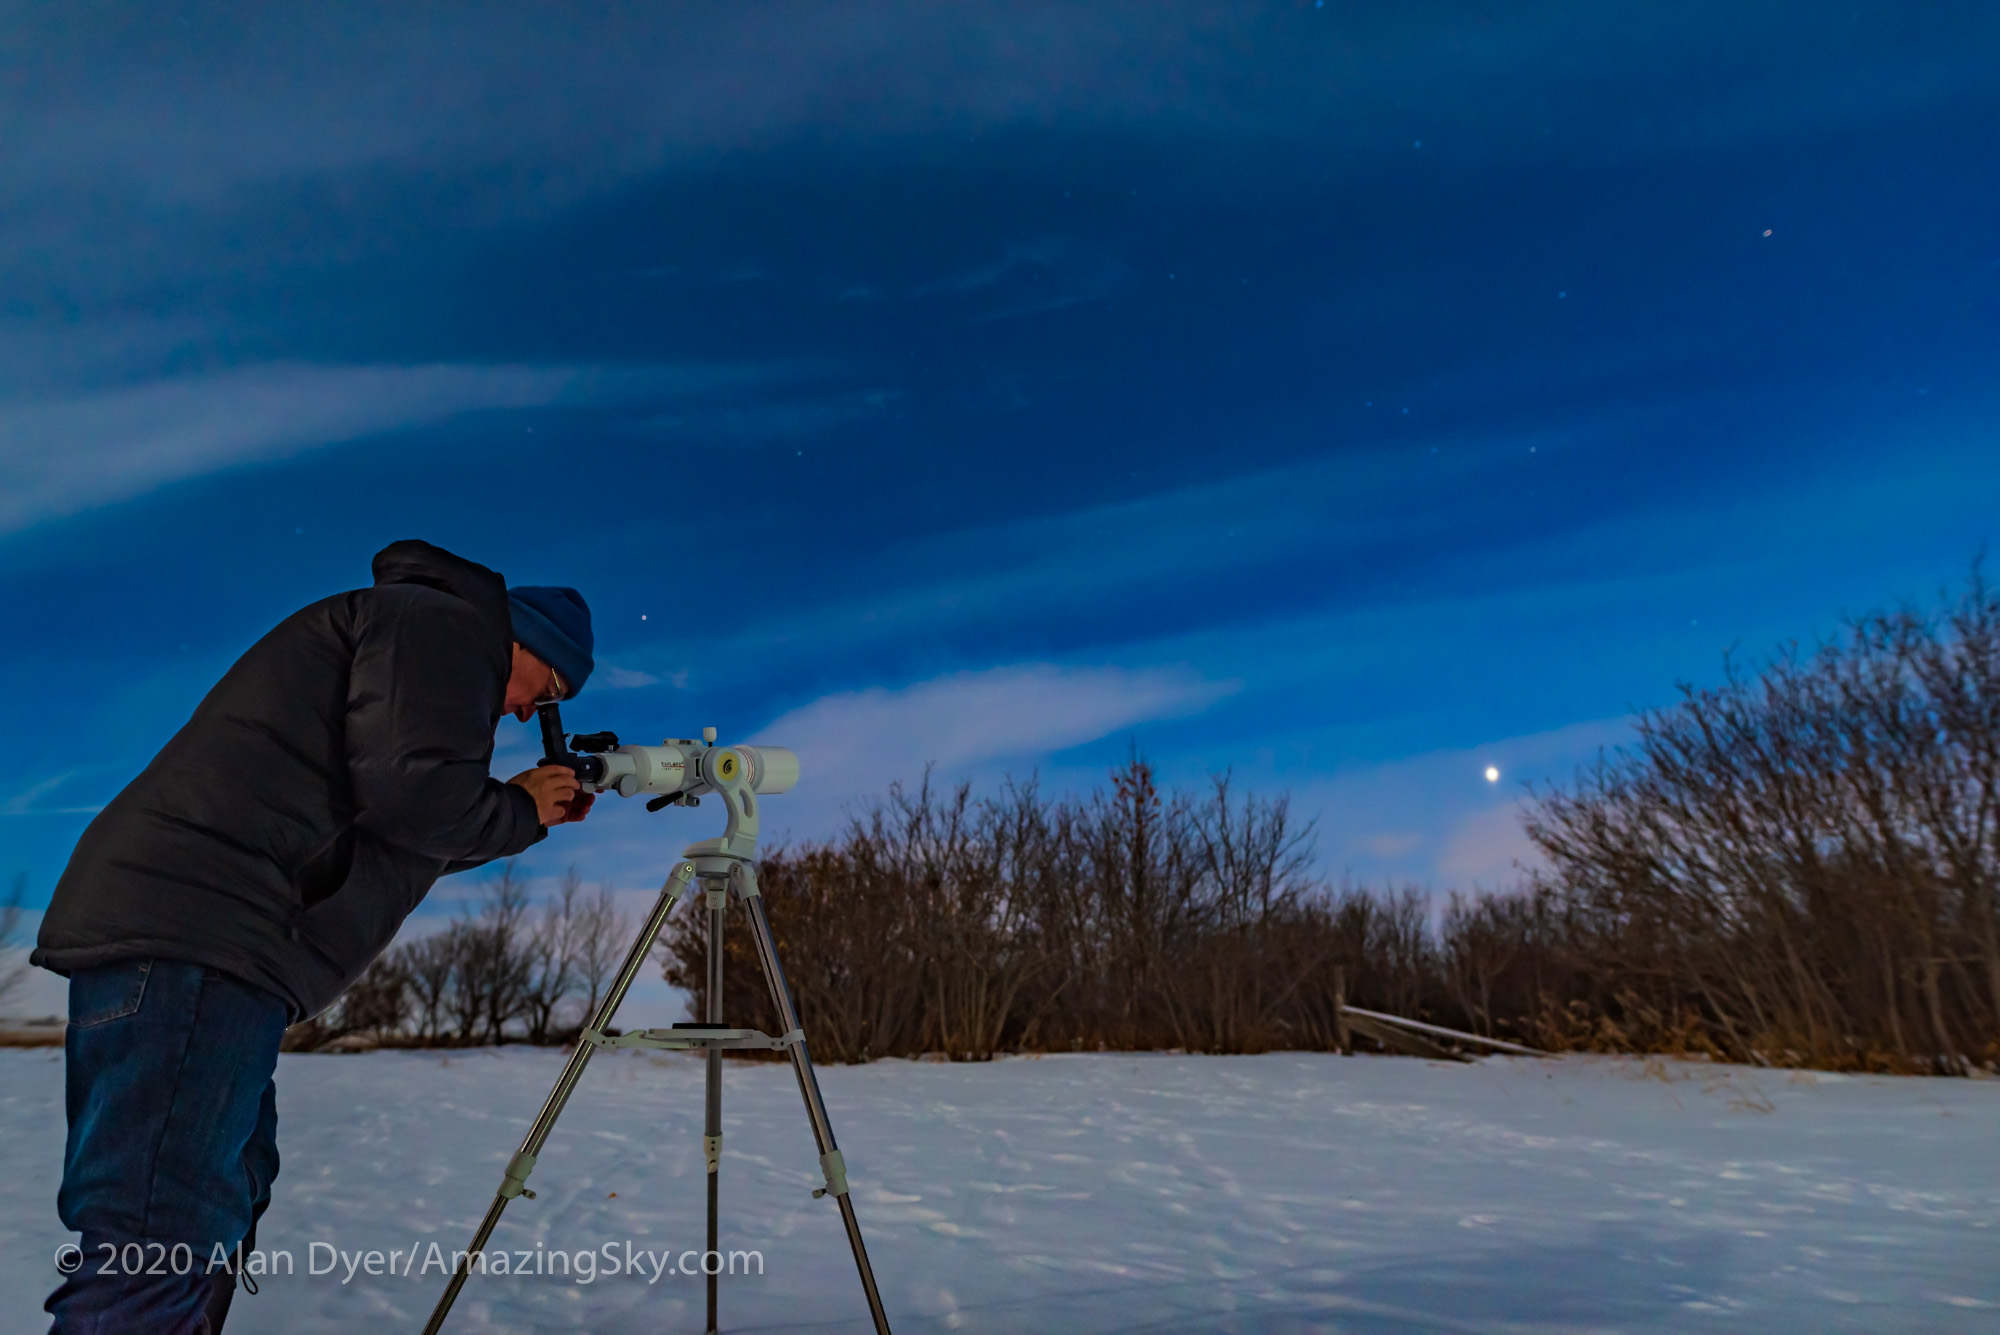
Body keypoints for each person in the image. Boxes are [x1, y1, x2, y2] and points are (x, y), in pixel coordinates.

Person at [31, 539, 596, 1334]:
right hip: (200, 935)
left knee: (214, 1203)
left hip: (208, 942)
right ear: (527, 642)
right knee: (161, 1237)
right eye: (552, 685)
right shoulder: (444, 625)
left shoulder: (417, 638)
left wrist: (515, 816)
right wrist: (515, 811)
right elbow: (413, 800)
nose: (533, 711)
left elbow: (391, 827)